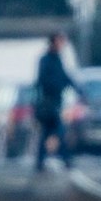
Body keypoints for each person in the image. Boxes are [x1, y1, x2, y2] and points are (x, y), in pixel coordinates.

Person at [34, 34, 80, 172]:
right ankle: (63, 159)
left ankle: (44, 161)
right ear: (53, 42)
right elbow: (43, 80)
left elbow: (64, 77)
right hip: (48, 103)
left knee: (50, 132)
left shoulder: (57, 59)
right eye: (60, 42)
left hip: (55, 102)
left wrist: (75, 87)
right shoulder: (46, 60)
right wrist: (59, 86)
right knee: (58, 131)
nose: (62, 45)